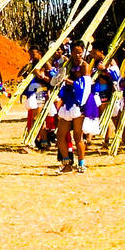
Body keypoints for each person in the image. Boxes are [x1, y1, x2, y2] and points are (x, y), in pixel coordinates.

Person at [54, 40, 88, 173]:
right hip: (67, 102)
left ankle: (81, 164)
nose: (77, 55)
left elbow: (85, 86)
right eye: (75, 52)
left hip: (78, 104)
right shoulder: (68, 65)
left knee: (78, 136)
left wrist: (69, 81)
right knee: (60, 135)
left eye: (80, 52)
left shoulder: (84, 66)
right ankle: (66, 163)